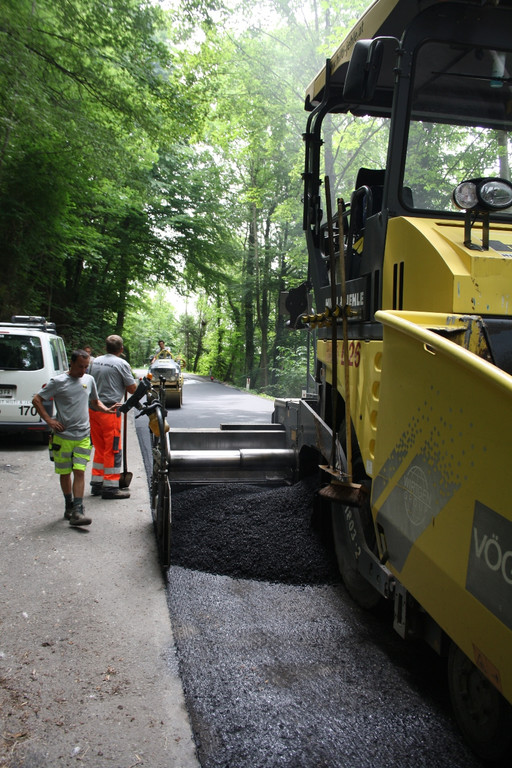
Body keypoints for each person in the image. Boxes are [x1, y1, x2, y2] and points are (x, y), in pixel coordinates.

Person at [32, 349, 117, 527]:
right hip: (62, 436)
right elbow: (37, 400)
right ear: (71, 363)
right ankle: (69, 505)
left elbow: (95, 402)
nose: (83, 370)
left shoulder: (89, 380)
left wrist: (106, 409)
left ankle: (78, 510)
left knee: (79, 471)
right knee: (65, 473)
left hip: (83, 435)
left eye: (86, 367)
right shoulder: (58, 381)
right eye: (80, 366)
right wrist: (49, 420)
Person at [89, 335, 136, 499]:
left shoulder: (93, 362)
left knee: (100, 447)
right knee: (113, 449)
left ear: (105, 348)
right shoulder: (121, 364)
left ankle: (97, 483)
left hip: (93, 409)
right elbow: (132, 389)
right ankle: (110, 487)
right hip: (110, 411)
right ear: (121, 349)